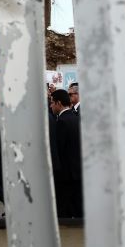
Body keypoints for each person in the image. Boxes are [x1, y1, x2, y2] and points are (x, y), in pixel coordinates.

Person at [49, 88, 83, 218]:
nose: (51, 106)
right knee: (77, 207)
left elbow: (60, 150)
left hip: (66, 174)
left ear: (58, 103)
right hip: (77, 171)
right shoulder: (76, 117)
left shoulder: (62, 122)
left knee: (65, 210)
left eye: (52, 103)